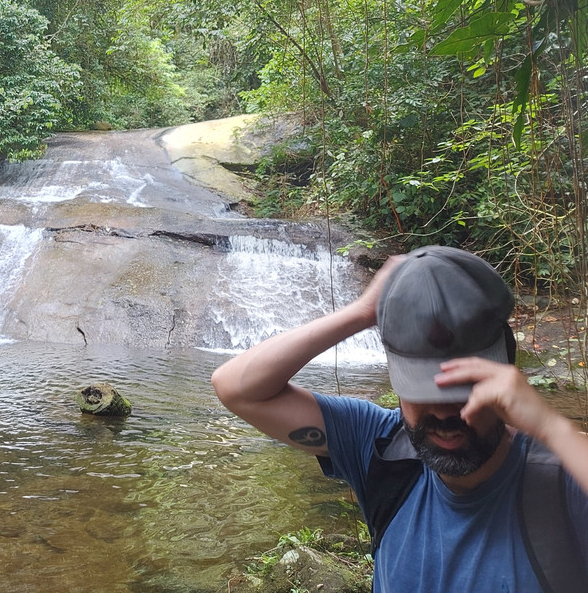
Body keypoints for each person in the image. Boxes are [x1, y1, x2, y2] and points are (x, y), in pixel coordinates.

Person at [211, 245, 588, 592]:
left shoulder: (564, 479)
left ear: (506, 378)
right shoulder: (379, 447)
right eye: (421, 390)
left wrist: (551, 426)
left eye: (464, 390)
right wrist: (362, 312)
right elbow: (236, 388)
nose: (442, 412)